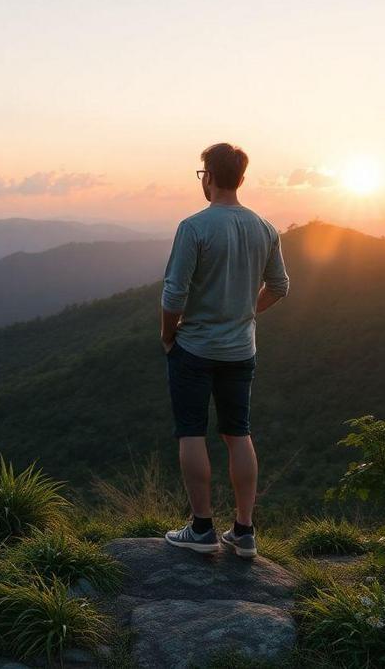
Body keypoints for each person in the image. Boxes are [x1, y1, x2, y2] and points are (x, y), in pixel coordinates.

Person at [160, 142, 290, 558]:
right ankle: (244, 531)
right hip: (240, 350)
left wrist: (168, 335)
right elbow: (280, 286)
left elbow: (174, 293)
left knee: (191, 431)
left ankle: (201, 529)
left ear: (210, 177)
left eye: (203, 175)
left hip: (195, 347)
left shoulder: (194, 227)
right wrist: (244, 313)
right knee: (238, 433)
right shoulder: (265, 228)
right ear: (241, 178)